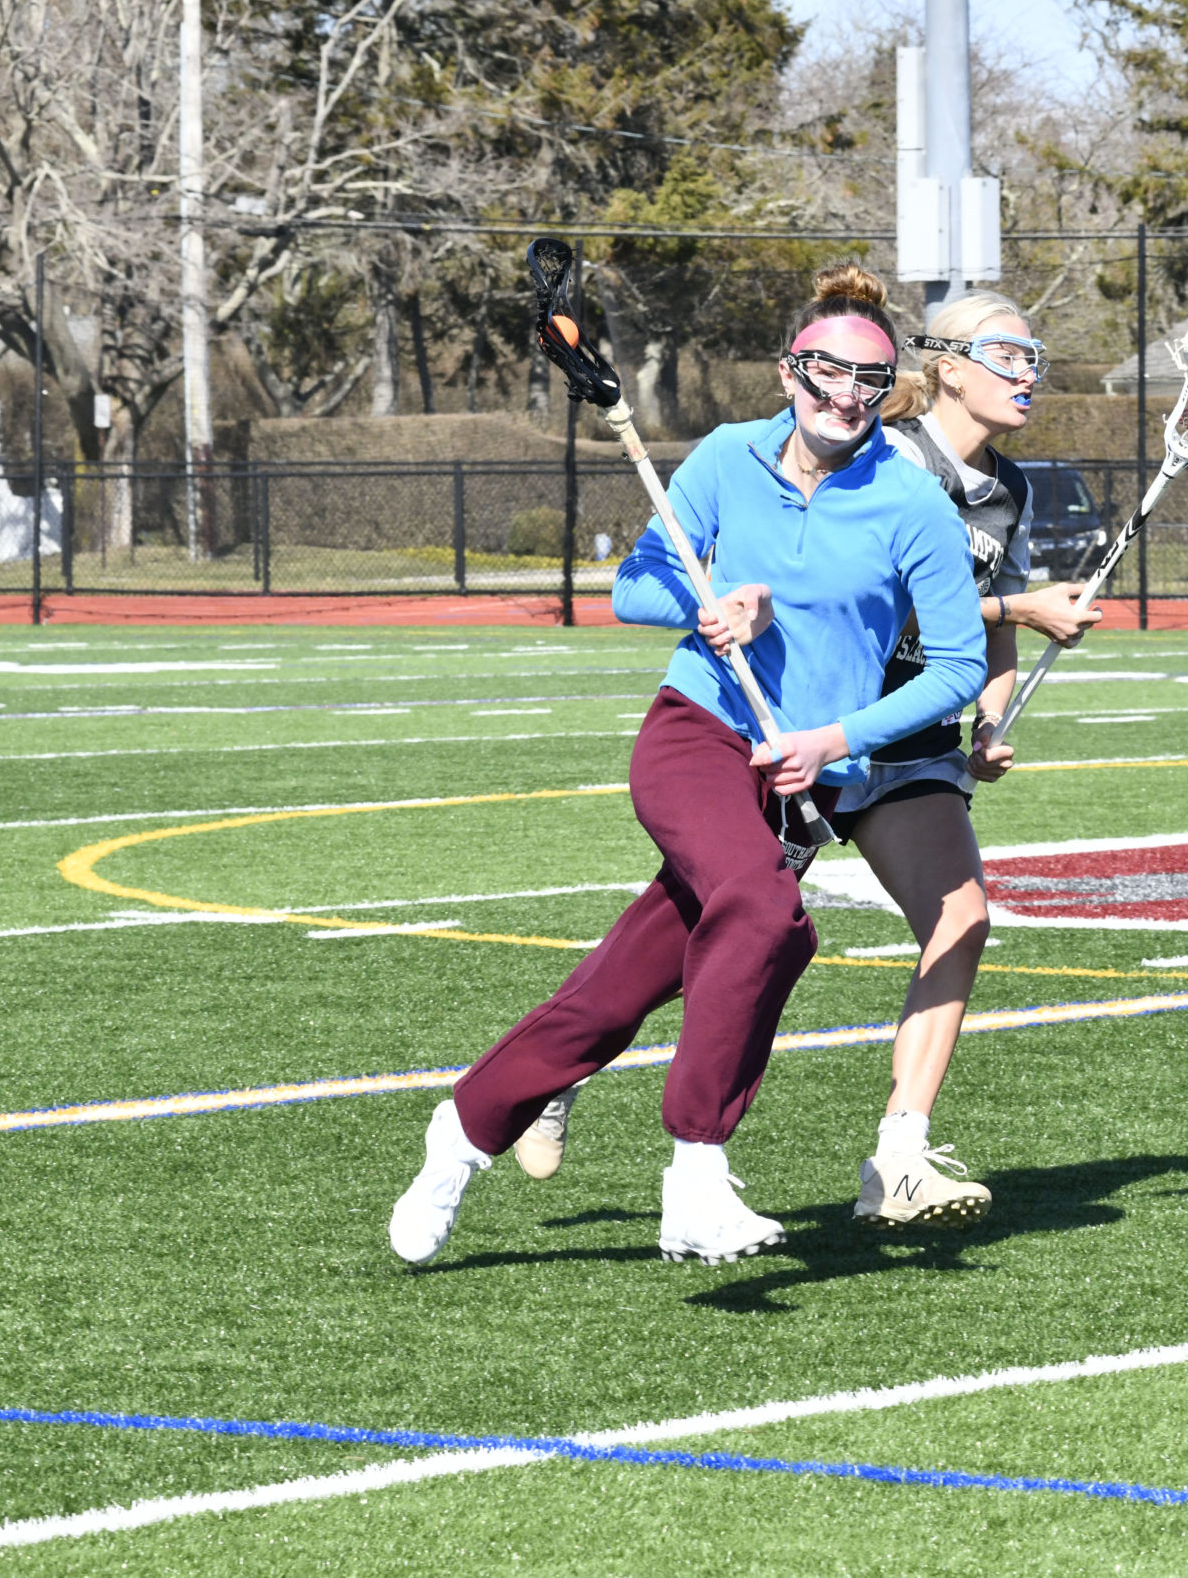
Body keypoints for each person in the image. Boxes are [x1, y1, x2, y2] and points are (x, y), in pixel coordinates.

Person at [388, 264, 986, 1268]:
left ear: (889, 392)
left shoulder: (910, 502)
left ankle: (459, 1133)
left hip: (802, 780)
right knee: (762, 913)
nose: (845, 396)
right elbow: (633, 588)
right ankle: (696, 1176)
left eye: (868, 381)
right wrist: (708, 611)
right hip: (696, 736)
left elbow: (960, 668)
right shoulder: (722, 458)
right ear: (788, 370)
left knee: (621, 991)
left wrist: (832, 743)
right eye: (826, 373)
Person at [831, 294, 1101, 1229]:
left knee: (962, 921)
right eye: (1008, 353)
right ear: (948, 365)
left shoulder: (1011, 489)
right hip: (818, 720)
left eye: (1036, 355)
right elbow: (876, 604)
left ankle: (897, 1159)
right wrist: (1018, 609)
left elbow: (988, 634)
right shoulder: (889, 461)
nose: (1029, 371)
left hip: (913, 736)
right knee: (716, 936)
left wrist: (988, 721)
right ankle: (564, 1065)